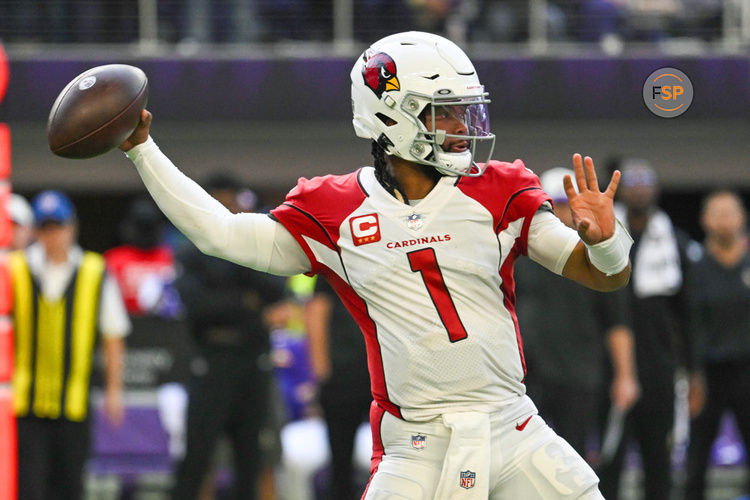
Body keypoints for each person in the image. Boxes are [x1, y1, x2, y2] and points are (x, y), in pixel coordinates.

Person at [119, 31, 632, 499]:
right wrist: (143, 150)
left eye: (464, 111)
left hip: (513, 428)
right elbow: (220, 233)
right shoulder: (335, 208)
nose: (461, 128)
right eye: (444, 112)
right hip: (417, 444)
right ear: (392, 115)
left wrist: (606, 242)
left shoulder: (498, 188)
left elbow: (602, 274)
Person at [170, 172, 287, 500]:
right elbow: (196, 306)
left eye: (230, 201)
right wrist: (249, 305)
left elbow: (277, 290)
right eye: (217, 201)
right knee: (197, 456)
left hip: (252, 359)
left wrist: (230, 289)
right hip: (211, 357)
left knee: (252, 457)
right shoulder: (192, 247)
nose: (224, 208)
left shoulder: (256, 239)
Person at [10, 190, 130, 500]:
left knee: (70, 485)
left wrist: (114, 390)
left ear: (72, 228)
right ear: (36, 231)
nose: (53, 236)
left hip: (74, 399)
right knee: (29, 486)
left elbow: (113, 334)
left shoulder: (94, 270)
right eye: (45, 228)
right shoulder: (16, 269)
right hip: (26, 401)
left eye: (58, 227)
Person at [515, 167, 639, 463]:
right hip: (526, 377)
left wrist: (625, 376)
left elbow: (617, 321)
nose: (559, 212)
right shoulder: (521, 250)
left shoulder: (598, 257)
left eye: (567, 205)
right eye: (552, 205)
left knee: (575, 462)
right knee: (523, 464)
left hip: (579, 375)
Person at [596, 159, 697, 500]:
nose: (639, 189)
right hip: (609, 367)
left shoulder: (676, 243)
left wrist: (692, 370)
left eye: (645, 183)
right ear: (622, 191)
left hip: (659, 365)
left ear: (655, 190)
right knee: (609, 458)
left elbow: (688, 313)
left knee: (659, 458)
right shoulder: (603, 237)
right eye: (632, 183)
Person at [683, 190, 750, 500]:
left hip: (747, 369)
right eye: (717, 213)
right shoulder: (694, 265)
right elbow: (689, 326)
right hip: (707, 374)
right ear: (705, 220)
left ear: (742, 218)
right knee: (697, 457)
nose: (724, 220)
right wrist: (693, 376)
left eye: (730, 212)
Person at [305, 275, 372, 499]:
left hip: (379, 375)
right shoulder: (333, 261)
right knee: (341, 463)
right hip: (345, 376)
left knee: (397, 458)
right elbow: (316, 316)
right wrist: (322, 375)